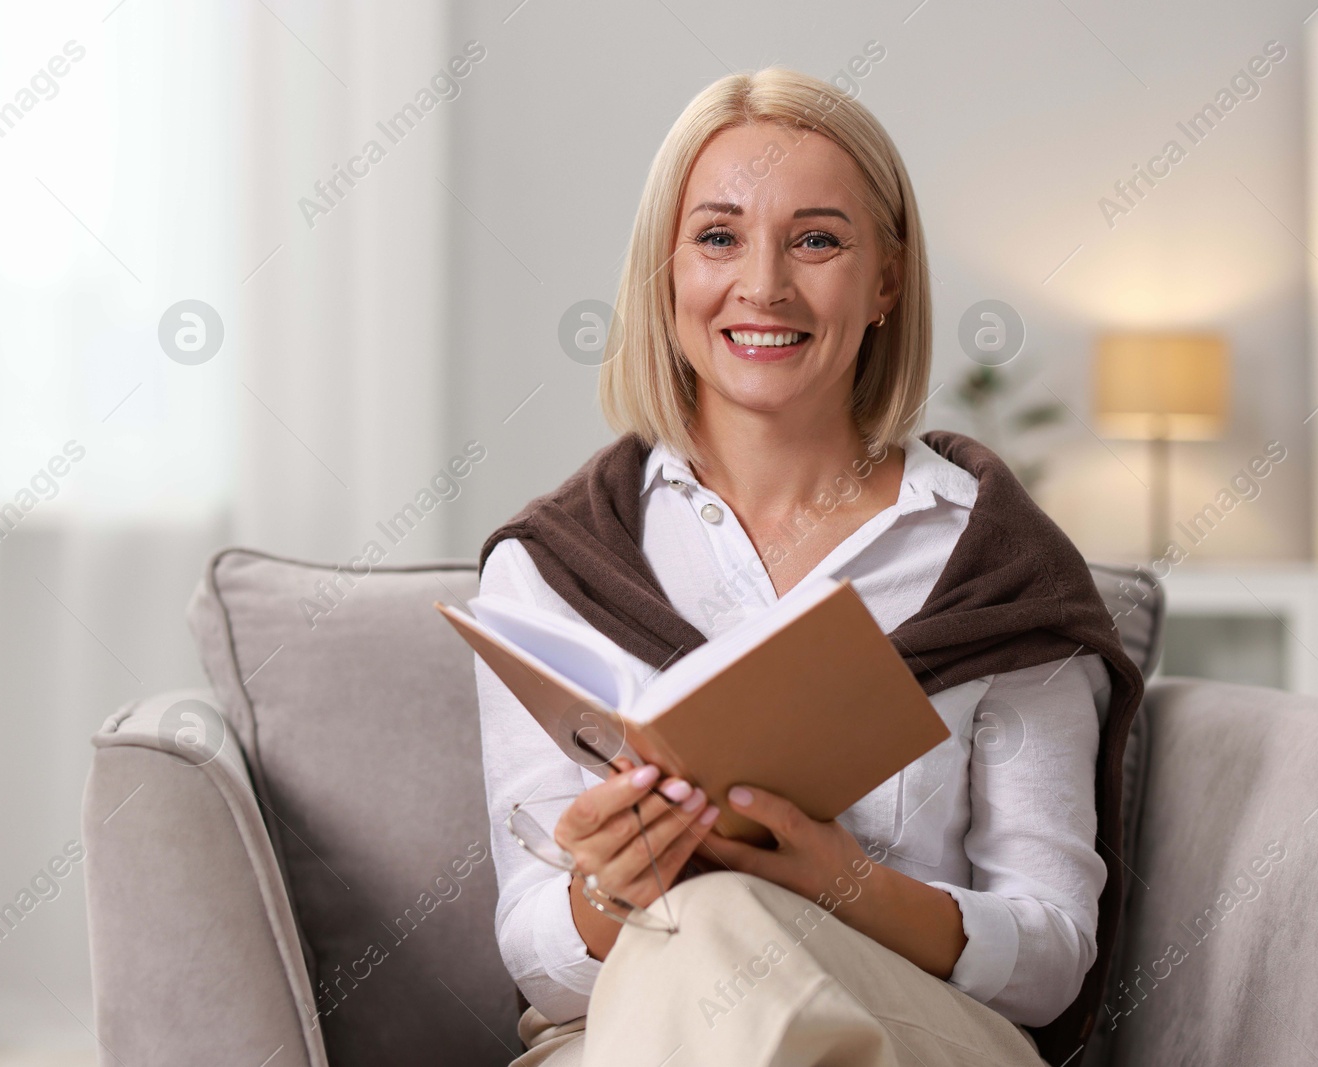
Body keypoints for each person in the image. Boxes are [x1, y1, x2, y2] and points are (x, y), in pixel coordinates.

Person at [474, 66, 1144, 1066]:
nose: (763, 286)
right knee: (693, 939)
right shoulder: (551, 571)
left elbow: (1052, 958)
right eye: (717, 237)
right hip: (622, 1032)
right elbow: (537, 957)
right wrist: (609, 892)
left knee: (719, 919)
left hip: (914, 1033)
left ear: (883, 279)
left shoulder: (994, 570)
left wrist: (843, 882)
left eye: (817, 239)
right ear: (667, 275)